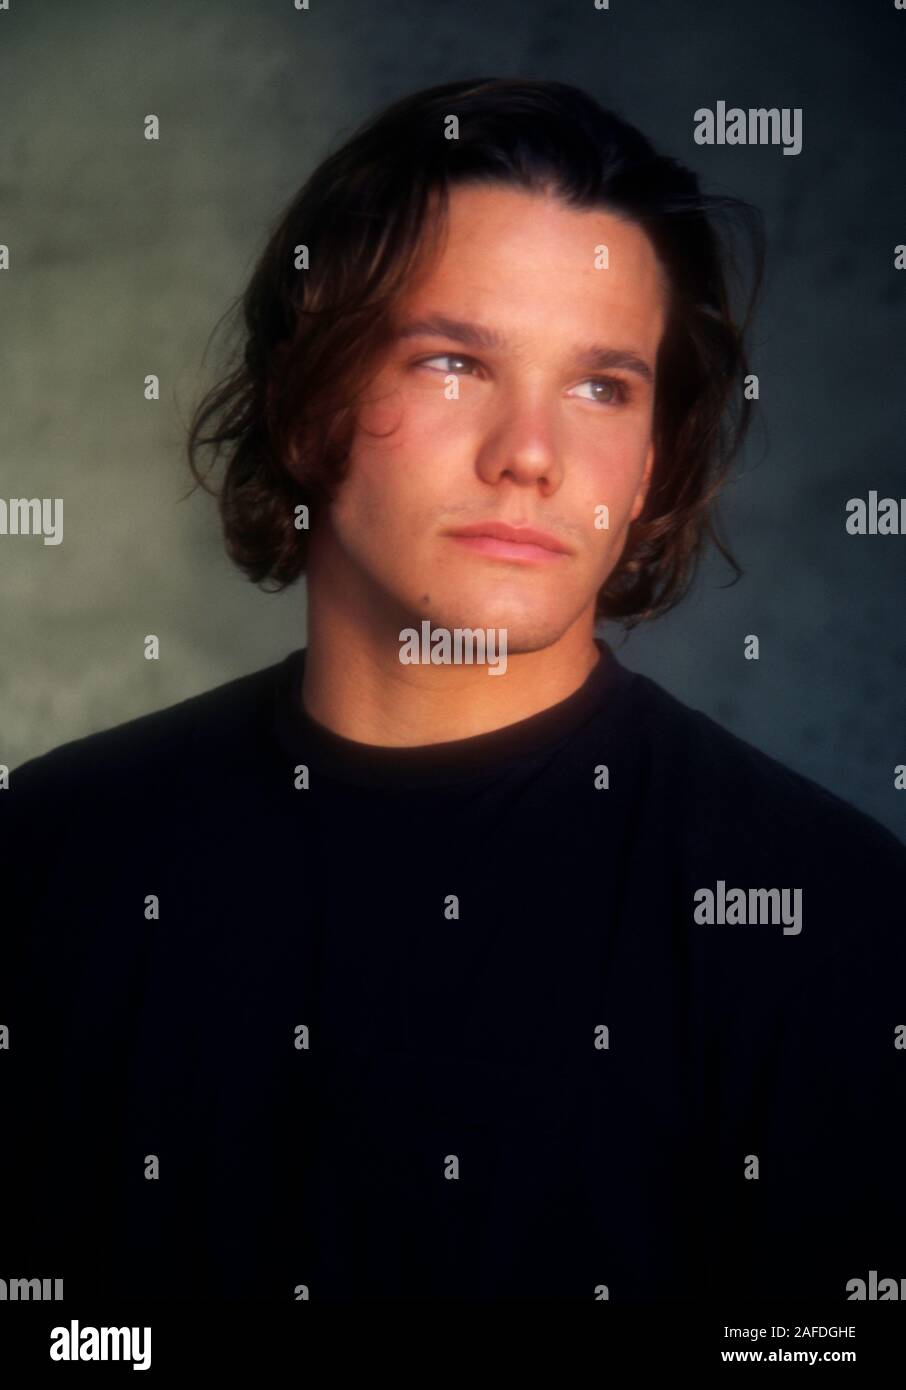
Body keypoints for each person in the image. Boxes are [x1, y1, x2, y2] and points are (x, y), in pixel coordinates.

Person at [2, 77, 903, 1303]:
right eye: (453, 360)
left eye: (603, 386)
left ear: (651, 463)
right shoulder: (48, 859)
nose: (530, 452)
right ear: (308, 399)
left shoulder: (833, 924)